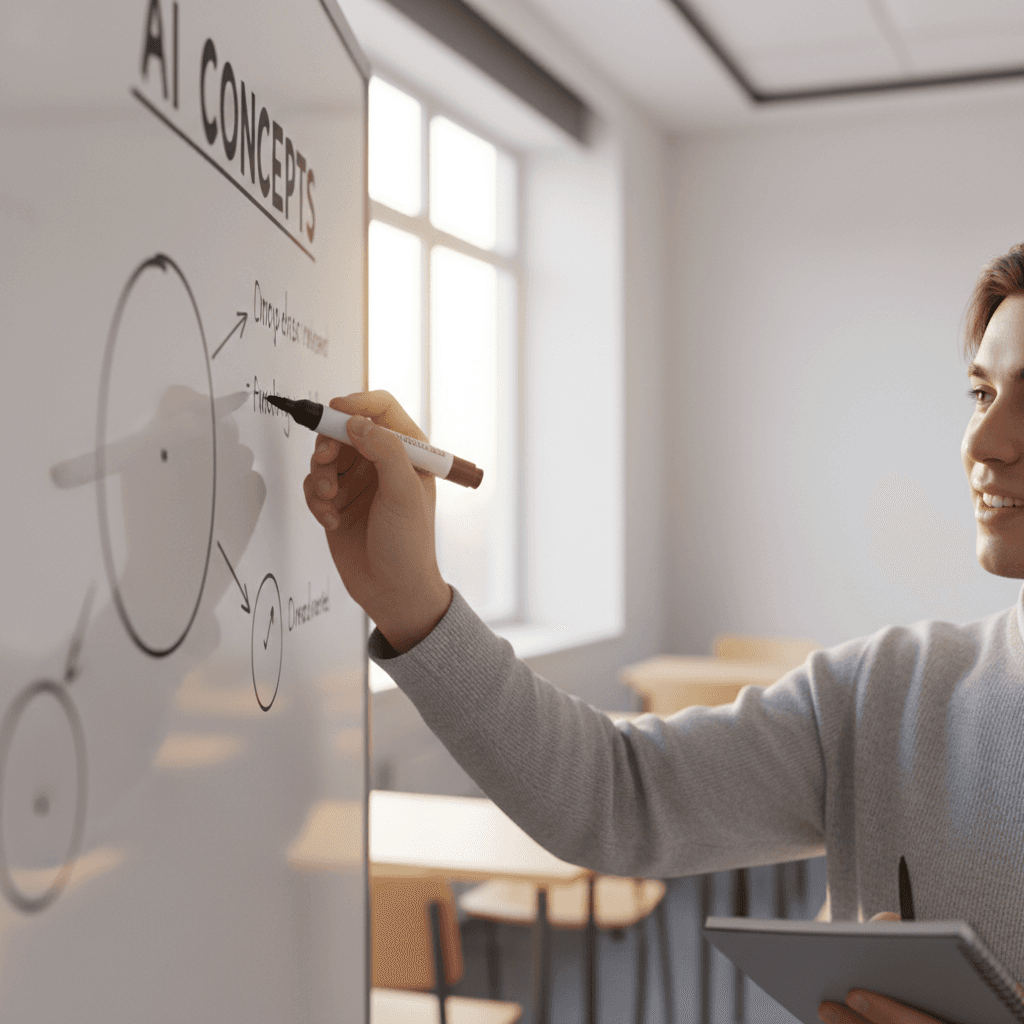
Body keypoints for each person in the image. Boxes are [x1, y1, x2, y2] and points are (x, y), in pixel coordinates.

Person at [304, 242, 1024, 1024]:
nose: (983, 445)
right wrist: (412, 601)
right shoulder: (889, 693)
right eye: (981, 394)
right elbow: (615, 797)